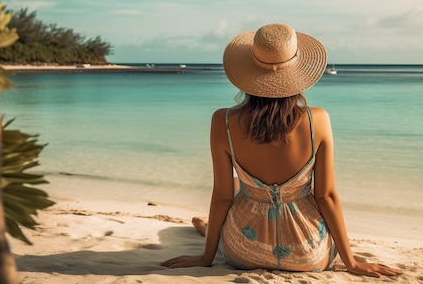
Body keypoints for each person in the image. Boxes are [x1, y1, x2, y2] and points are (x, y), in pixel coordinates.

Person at [160, 23, 402, 278]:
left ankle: (208, 229)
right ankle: (206, 227)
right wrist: (351, 262)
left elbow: (222, 197)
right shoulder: (316, 120)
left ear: (247, 74)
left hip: (244, 252)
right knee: (240, 186)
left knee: (233, 185)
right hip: (307, 254)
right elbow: (326, 196)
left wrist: (206, 258)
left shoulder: (223, 122)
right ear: (297, 74)